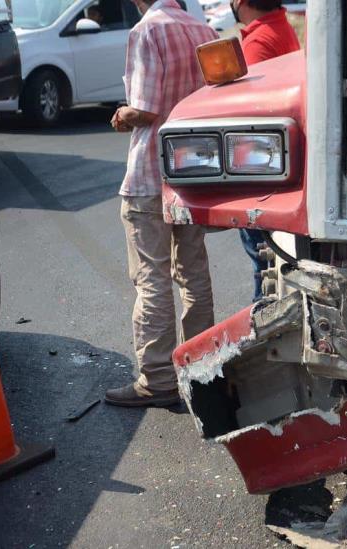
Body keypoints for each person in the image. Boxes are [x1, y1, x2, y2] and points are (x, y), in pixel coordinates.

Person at [105, 0, 218, 407]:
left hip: (151, 172)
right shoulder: (202, 30)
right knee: (194, 272)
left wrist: (121, 115)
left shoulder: (146, 30)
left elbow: (145, 108)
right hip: (191, 171)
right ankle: (203, 367)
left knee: (151, 276)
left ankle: (156, 379)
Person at [231, 0, 300, 301]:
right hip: (283, 166)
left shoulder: (258, 42)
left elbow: (250, 113)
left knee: (264, 267)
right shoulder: (281, 27)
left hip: (262, 173)